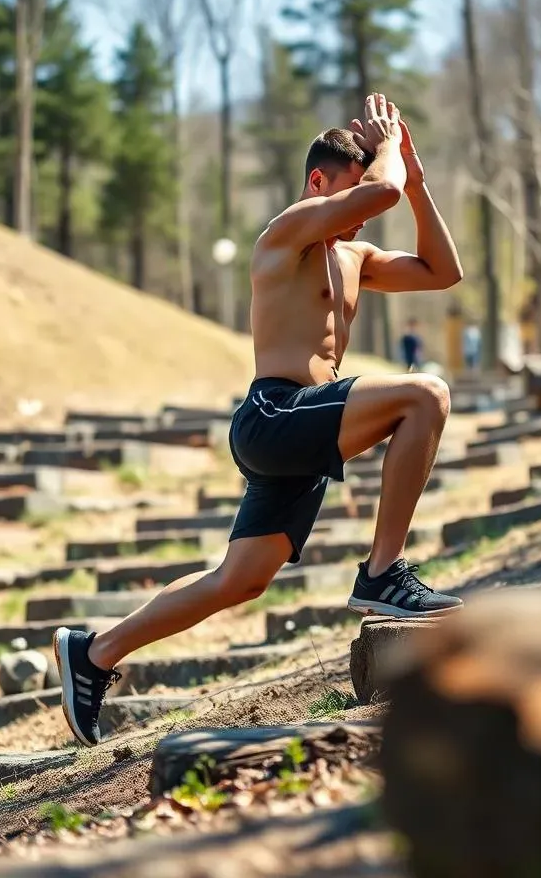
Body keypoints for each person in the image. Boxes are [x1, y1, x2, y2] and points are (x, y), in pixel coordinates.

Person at [54, 93, 465, 747]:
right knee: (426, 396)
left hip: (304, 428)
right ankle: (384, 574)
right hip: (276, 413)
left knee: (239, 580)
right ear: (318, 183)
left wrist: (413, 181)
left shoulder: (354, 258)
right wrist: (388, 160)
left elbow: (445, 272)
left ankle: (94, 652)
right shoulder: (288, 232)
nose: (358, 215)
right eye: (348, 194)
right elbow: (375, 198)